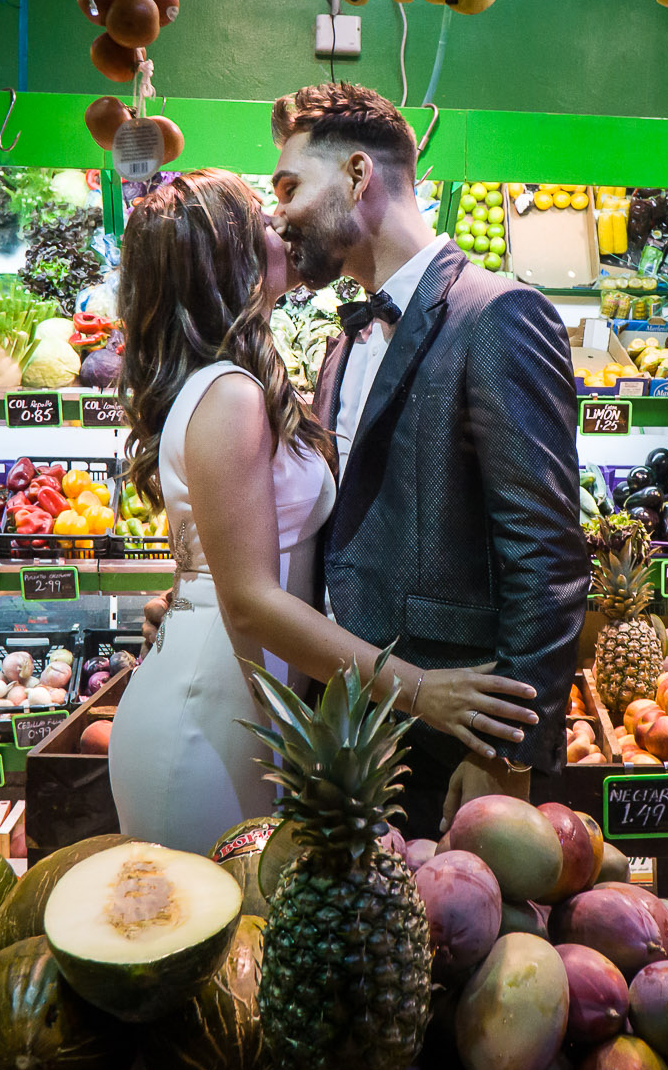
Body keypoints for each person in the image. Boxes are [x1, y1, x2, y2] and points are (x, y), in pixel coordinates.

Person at [107, 169, 540, 855]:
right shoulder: (231, 394)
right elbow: (249, 601)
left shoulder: (248, 378)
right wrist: (420, 690)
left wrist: (197, 591)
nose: (282, 222)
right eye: (261, 216)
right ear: (228, 258)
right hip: (210, 716)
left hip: (250, 696)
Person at [270, 83, 588, 836]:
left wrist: (508, 752)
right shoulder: (344, 342)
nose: (278, 211)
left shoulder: (500, 314)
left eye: (289, 186)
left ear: (356, 177)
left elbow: (546, 552)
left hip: (457, 739)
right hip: (354, 732)